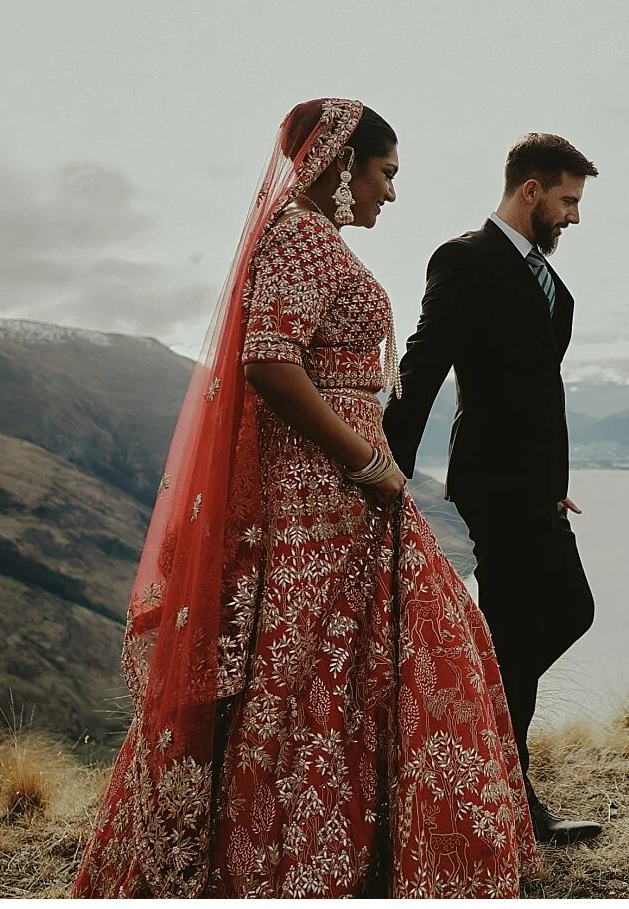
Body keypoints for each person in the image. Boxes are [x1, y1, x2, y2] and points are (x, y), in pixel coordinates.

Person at [73, 99, 538, 897]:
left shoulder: (309, 236)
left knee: (369, 663)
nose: (391, 193)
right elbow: (269, 363)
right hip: (325, 490)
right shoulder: (296, 234)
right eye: (386, 173)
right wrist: (366, 462)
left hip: (350, 487)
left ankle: (367, 849)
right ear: (341, 161)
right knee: (310, 672)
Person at [382, 133, 602, 846]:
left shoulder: (548, 281)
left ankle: (490, 763)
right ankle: (507, 787)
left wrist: (554, 481)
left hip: (531, 485)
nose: (573, 216)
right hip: (491, 481)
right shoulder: (465, 259)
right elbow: (424, 364)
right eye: (567, 200)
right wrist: (385, 468)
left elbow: (541, 388)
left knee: (553, 616)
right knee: (550, 613)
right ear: (531, 190)